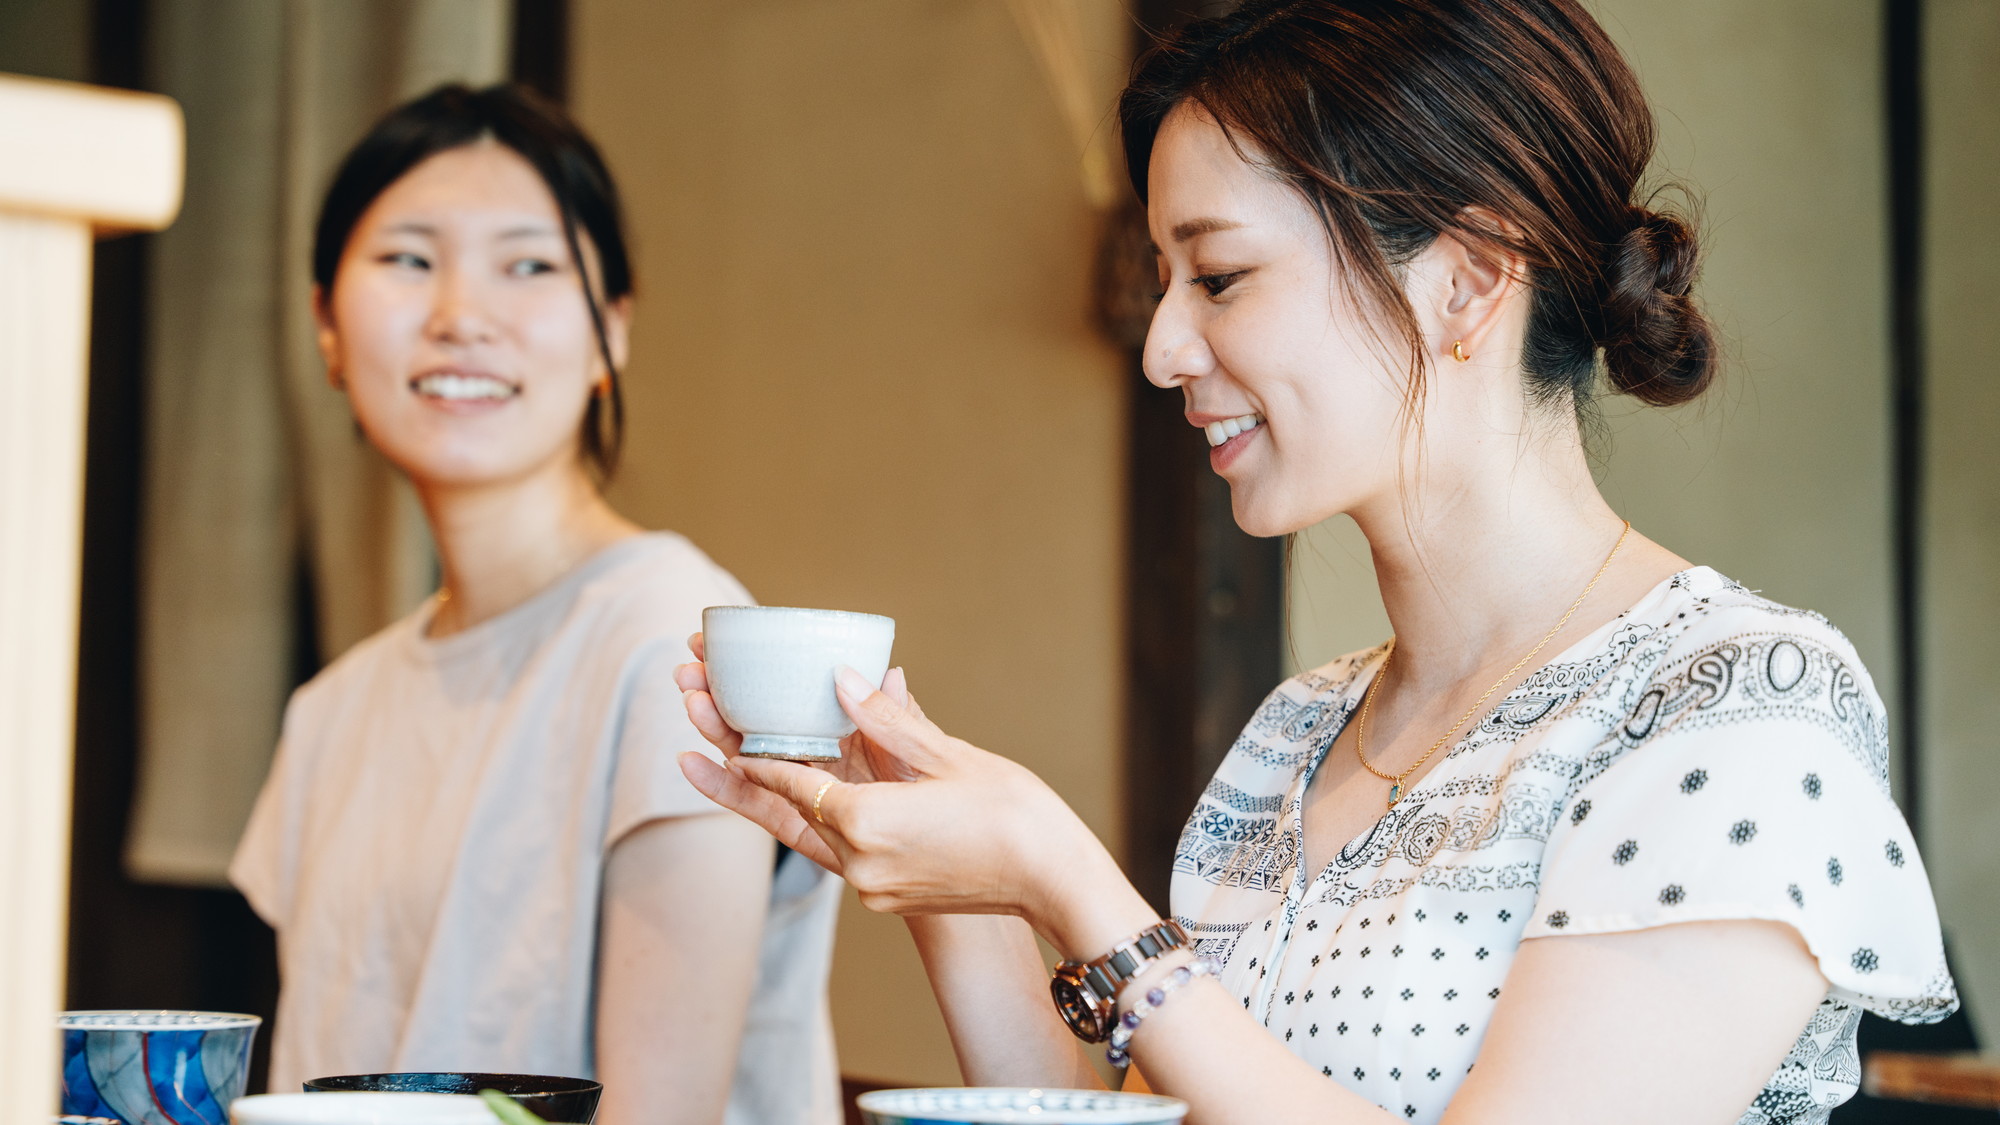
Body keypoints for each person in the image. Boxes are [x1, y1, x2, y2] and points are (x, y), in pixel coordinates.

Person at [672, 3, 1957, 1122]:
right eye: (1165, 279)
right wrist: (955, 879)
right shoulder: (1304, 727)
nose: (1164, 346)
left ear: (1468, 280)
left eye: (1220, 277)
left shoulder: (1736, 708)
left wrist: (1069, 881)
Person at [229, 84, 842, 1125]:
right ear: (326, 326)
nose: (461, 316)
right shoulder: (332, 709)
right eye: (408, 260)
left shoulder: (673, 642)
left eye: (528, 265)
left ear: (613, 330)